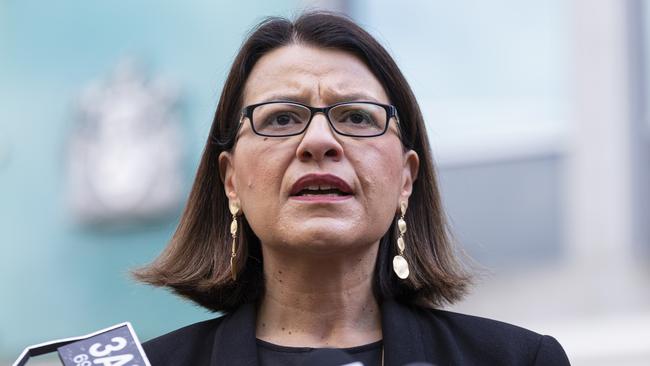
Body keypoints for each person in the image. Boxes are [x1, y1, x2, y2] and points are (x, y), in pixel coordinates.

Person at [135, 11, 571, 366]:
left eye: (357, 117)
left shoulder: (518, 359)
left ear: (405, 179)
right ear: (231, 181)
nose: (320, 142)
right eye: (282, 118)